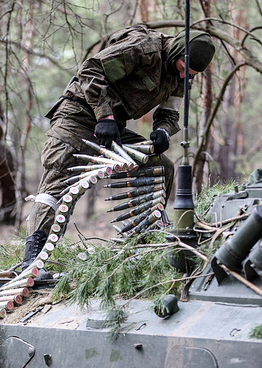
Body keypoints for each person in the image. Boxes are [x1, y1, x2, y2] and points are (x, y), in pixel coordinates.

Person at [22, 25, 216, 273]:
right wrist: (105, 116)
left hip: (113, 126)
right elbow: (91, 70)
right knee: (58, 182)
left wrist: (163, 131)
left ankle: (142, 245)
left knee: (161, 166)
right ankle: (33, 260)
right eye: (183, 68)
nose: (183, 75)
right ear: (178, 51)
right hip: (77, 116)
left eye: (189, 74)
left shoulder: (180, 75)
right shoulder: (145, 49)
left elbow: (170, 112)